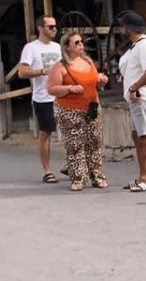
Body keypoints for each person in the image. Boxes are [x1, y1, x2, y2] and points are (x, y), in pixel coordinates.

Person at [46, 32, 110, 192]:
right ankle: (78, 178)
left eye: (81, 41)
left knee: (94, 142)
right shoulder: (61, 67)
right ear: (67, 47)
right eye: (76, 42)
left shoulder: (88, 62)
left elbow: (94, 85)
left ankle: (97, 176)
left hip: (91, 107)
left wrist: (101, 81)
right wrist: (69, 88)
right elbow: (52, 89)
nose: (81, 44)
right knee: (75, 144)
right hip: (69, 110)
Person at [117, 11, 146, 192]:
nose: (121, 29)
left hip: (141, 97)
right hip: (134, 99)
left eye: (122, 26)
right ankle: (143, 175)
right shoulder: (135, 47)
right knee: (138, 137)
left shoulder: (144, 45)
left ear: (128, 28)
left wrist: (134, 87)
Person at [17, 14, 62, 183]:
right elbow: (22, 72)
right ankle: (47, 170)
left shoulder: (57, 47)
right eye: (50, 27)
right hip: (43, 97)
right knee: (46, 133)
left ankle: (70, 164)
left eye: (55, 26)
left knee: (71, 130)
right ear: (40, 28)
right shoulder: (31, 48)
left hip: (61, 95)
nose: (54, 29)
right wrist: (43, 71)